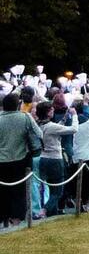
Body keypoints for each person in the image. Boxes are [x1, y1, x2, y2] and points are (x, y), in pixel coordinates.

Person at [0, 93, 42, 226]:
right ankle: (16, 221)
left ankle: (4, 219)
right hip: (20, 159)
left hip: (1, 160)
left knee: (3, 191)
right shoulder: (25, 117)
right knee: (19, 191)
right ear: (18, 105)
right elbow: (39, 134)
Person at [35, 100, 77, 216]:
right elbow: (74, 129)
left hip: (43, 158)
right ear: (48, 112)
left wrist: (64, 119)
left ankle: (51, 213)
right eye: (51, 110)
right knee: (58, 191)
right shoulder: (51, 126)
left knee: (48, 188)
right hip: (54, 159)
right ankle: (44, 210)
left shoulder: (39, 125)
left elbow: (56, 128)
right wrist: (74, 116)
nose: (53, 111)